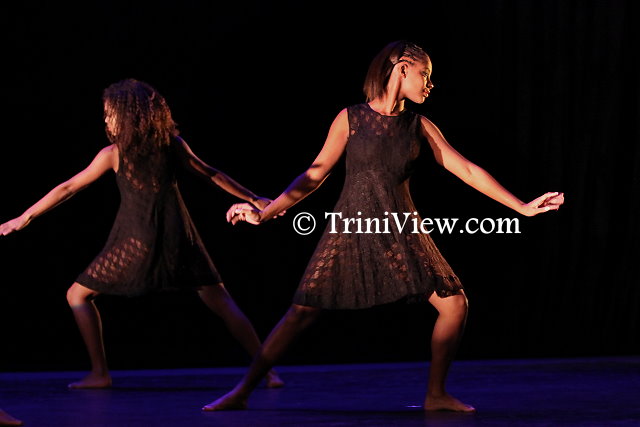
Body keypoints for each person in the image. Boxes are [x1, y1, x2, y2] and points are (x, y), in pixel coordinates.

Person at [203, 40, 564, 412]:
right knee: (300, 313)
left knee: (455, 305)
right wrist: (266, 212)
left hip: (400, 229)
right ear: (402, 67)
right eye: (425, 74)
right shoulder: (351, 119)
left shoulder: (418, 126)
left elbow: (468, 171)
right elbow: (314, 175)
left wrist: (521, 207)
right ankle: (242, 391)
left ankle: (435, 394)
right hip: (350, 228)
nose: (430, 84)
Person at [0, 79, 283, 389]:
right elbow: (211, 174)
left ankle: (100, 373)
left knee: (76, 295)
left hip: (137, 239)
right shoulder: (172, 144)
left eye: (110, 114)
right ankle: (267, 372)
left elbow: (69, 187)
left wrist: (24, 217)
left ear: (128, 115)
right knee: (219, 299)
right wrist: (255, 198)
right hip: (178, 236)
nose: (106, 120)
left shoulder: (115, 153)